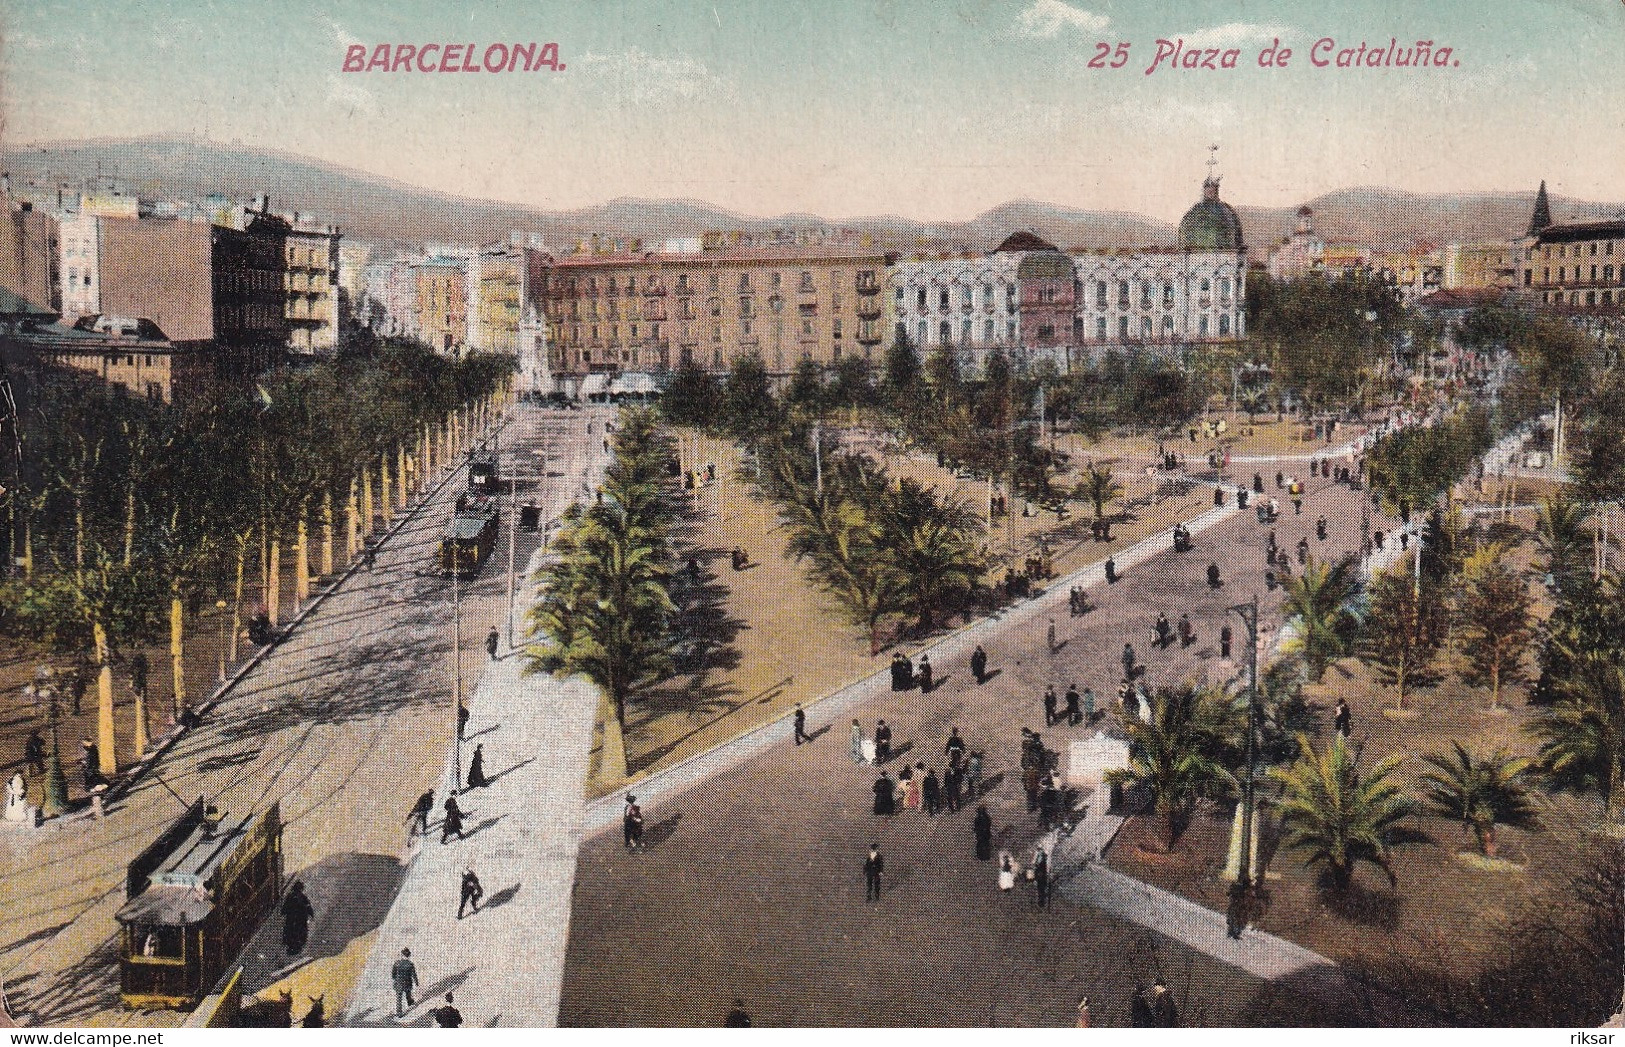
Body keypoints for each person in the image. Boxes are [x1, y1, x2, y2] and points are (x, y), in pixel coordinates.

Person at [281, 880, 314, 955]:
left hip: (292, 918)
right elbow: (308, 906)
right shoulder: (303, 897)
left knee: (290, 930)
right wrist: (311, 914)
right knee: (300, 931)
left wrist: (283, 912)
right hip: (301, 919)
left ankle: (291, 943)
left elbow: (285, 908)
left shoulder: (290, 897)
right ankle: (297, 944)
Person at [391, 948, 419, 1018]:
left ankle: (399, 1013)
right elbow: (414, 974)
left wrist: (395, 979)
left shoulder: (396, 963)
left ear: (402, 954)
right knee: (408, 993)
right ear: (409, 956)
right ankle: (410, 1002)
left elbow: (393, 974)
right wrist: (416, 982)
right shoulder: (410, 964)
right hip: (407, 982)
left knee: (399, 998)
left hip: (398, 983)